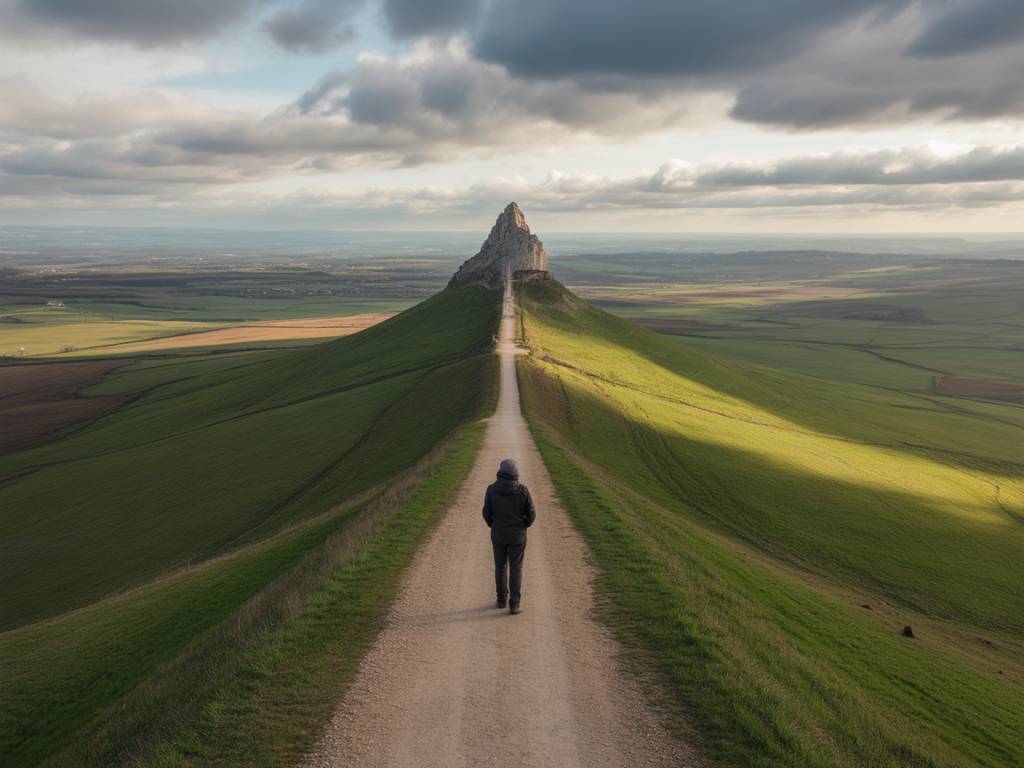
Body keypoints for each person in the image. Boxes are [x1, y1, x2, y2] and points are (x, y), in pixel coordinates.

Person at [482, 458, 536, 614]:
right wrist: (524, 525)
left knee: (500, 566)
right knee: (516, 568)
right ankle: (514, 604)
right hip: (517, 535)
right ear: (515, 473)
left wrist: (493, 524)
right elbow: (531, 514)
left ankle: (501, 600)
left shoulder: (491, 489)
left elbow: (486, 513)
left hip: (498, 533)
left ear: (500, 472)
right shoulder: (523, 490)